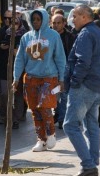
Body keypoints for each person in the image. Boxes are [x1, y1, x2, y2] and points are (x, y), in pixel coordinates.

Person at [63, 5, 100, 176]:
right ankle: (91, 163)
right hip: (98, 86)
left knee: (70, 126)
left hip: (85, 87)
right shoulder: (98, 32)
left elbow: (83, 62)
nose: (72, 20)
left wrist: (74, 82)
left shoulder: (85, 34)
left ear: (84, 17)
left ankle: (88, 165)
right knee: (91, 126)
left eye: (74, 16)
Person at [13, 9, 66, 152]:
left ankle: (51, 134)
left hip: (49, 78)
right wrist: (16, 78)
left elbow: (60, 58)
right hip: (30, 79)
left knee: (45, 107)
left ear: (44, 20)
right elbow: (19, 60)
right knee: (35, 110)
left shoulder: (54, 36)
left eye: (39, 19)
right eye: (34, 19)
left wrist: (61, 79)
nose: (36, 22)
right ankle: (41, 140)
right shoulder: (26, 37)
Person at [0, 10, 22, 128]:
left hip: (18, 69)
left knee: (17, 94)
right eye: (6, 18)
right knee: (5, 94)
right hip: (3, 68)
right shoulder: (0, 32)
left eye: (12, 20)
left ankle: (16, 118)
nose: (9, 21)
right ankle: (4, 115)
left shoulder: (22, 34)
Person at [52, 13, 77, 129]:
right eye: (54, 23)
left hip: (65, 71)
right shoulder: (48, 36)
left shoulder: (70, 37)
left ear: (64, 23)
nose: (56, 25)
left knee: (63, 95)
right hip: (51, 71)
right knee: (53, 94)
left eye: (58, 23)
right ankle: (57, 114)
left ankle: (62, 119)